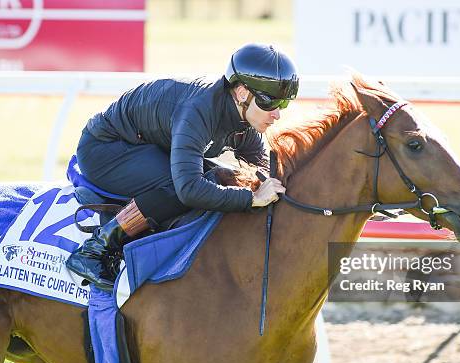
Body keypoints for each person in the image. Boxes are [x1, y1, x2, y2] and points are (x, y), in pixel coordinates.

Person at [66, 43, 298, 291]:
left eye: (283, 104)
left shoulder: (243, 120)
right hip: (106, 148)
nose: (277, 114)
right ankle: (94, 250)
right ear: (242, 93)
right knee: (181, 188)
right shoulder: (198, 110)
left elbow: (263, 168)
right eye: (270, 103)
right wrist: (250, 198)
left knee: (219, 175)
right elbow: (189, 188)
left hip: (146, 144)